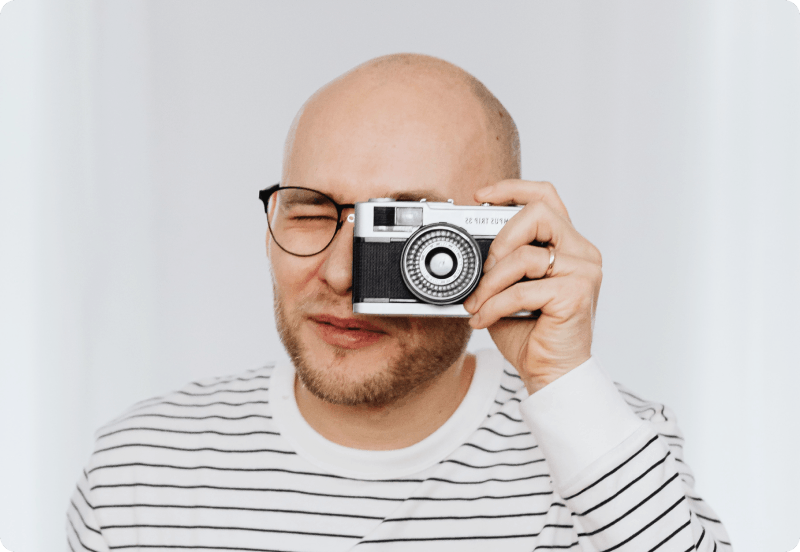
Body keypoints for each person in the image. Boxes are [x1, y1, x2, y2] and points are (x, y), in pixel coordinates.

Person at [67, 53, 731, 551]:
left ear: (501, 236)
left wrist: (564, 385)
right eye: (309, 211)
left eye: (403, 227)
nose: (337, 273)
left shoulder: (611, 443)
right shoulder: (138, 472)